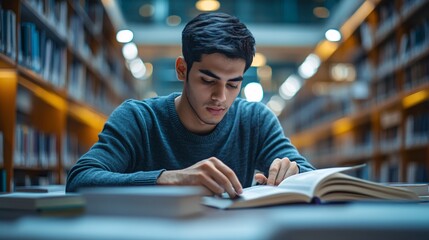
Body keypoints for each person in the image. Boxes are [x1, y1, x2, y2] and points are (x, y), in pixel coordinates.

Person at [66, 12, 315, 198]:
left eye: (233, 84)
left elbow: (311, 175)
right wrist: (170, 179)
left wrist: (291, 173)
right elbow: (79, 180)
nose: (221, 97)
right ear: (182, 70)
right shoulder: (138, 119)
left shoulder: (255, 119)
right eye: (208, 81)